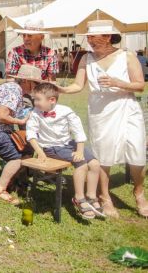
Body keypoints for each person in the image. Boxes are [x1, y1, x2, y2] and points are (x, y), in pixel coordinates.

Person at [59, 20, 146, 218]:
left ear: (108, 37)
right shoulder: (86, 59)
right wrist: (62, 89)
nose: (90, 42)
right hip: (100, 110)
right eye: (88, 38)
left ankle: (139, 191)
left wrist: (118, 82)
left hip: (127, 107)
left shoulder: (126, 55)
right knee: (103, 154)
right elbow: (78, 86)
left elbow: (140, 85)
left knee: (137, 152)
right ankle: (105, 196)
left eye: (94, 38)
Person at [26, 82, 103, 219]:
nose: (35, 102)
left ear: (52, 100)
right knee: (82, 164)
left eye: (38, 99)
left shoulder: (66, 111)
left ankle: (91, 196)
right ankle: (79, 198)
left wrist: (79, 151)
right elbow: (31, 135)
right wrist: (41, 152)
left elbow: (78, 131)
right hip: (51, 147)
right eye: (34, 99)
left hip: (68, 144)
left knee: (95, 164)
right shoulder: (35, 113)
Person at [0, 64, 44, 205]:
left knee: (25, 148)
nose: (37, 87)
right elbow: (1, 116)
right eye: (36, 83)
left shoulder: (12, 88)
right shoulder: (14, 92)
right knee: (17, 157)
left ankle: (15, 181)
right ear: (27, 81)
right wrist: (20, 120)